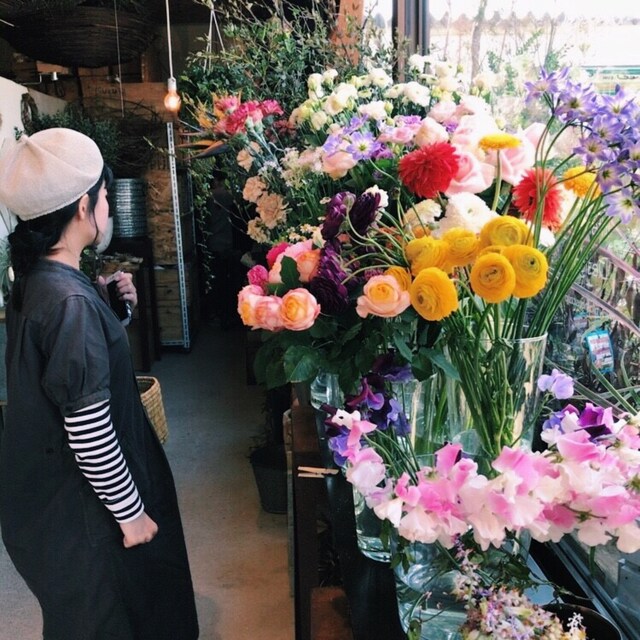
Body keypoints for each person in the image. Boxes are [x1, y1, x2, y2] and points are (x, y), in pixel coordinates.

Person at [0, 128, 199, 640]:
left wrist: (114, 311)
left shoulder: (41, 281)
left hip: (49, 506)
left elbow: (66, 369)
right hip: (86, 517)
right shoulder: (69, 302)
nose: (108, 206)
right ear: (83, 207)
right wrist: (132, 516)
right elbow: (88, 431)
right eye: (105, 195)